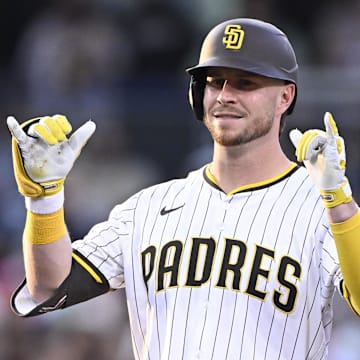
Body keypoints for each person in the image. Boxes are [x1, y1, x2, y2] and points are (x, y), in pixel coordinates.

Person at [7, 18, 360, 359]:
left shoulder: (321, 207)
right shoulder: (148, 207)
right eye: (214, 80)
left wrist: (339, 202)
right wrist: (44, 200)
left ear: (285, 97)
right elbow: (48, 288)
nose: (225, 95)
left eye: (245, 83)